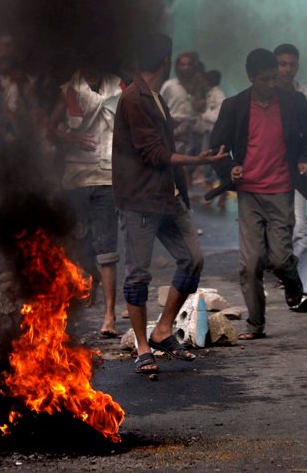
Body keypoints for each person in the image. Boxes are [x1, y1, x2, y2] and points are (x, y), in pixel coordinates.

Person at [112, 34, 227, 376]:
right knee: (138, 273)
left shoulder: (155, 97)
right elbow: (153, 153)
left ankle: (162, 331)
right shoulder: (135, 98)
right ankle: (143, 348)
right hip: (141, 200)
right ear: (166, 61)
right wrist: (196, 159)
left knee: (192, 258)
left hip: (167, 196)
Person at [209, 49, 307, 340]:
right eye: (266, 79)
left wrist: (306, 161)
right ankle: (256, 324)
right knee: (250, 263)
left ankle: (293, 284)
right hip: (249, 194)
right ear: (252, 78)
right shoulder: (235, 106)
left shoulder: (294, 102)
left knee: (279, 258)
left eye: (274, 78)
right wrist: (230, 170)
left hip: (281, 191)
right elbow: (218, 149)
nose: (272, 84)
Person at [51, 66, 125, 337]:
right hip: (77, 178)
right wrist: (71, 137)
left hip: (108, 177)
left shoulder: (119, 86)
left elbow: (132, 123)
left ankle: (110, 316)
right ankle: (72, 306)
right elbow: (50, 128)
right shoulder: (69, 87)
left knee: (107, 248)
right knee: (78, 242)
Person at [274, 44, 307, 297]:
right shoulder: (265, 93)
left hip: (296, 169)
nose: (287, 69)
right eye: (282, 64)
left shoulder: (304, 94)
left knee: (300, 228)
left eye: (291, 64)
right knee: (277, 227)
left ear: (297, 66)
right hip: (269, 171)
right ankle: (285, 270)